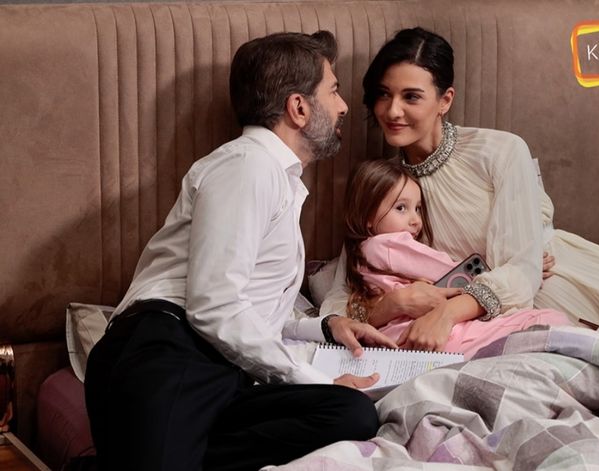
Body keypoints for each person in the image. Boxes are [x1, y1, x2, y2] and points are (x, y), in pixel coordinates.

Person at [85, 31, 398, 471]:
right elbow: (214, 306)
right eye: (333, 91)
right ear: (299, 107)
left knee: (351, 414)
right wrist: (312, 377)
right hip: (168, 349)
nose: (343, 106)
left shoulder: (280, 180)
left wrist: (324, 328)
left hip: (222, 369)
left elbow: (246, 306)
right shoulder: (247, 166)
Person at [320, 27, 599, 351]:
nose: (392, 110)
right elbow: (341, 294)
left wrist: (446, 313)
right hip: (487, 320)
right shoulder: (385, 186)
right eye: (384, 95)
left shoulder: (499, 150)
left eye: (411, 97)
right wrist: (390, 306)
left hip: (562, 283)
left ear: (445, 100)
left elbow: (521, 272)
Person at [343, 159, 572, 357]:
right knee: (548, 320)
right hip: (427, 330)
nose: (415, 220)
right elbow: (444, 268)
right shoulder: (386, 245)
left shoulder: (363, 255)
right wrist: (517, 268)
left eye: (418, 209)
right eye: (401, 208)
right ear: (367, 216)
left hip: (400, 333)